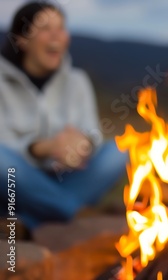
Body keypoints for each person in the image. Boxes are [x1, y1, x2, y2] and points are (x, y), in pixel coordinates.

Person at [0, 2, 127, 231]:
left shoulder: (77, 80)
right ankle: (75, 213)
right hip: (18, 181)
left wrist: (82, 145)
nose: (57, 36)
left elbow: (92, 133)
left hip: (68, 178)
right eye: (46, 28)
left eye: (61, 28)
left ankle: (28, 221)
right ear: (21, 40)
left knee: (119, 151)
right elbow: (4, 147)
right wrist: (45, 148)